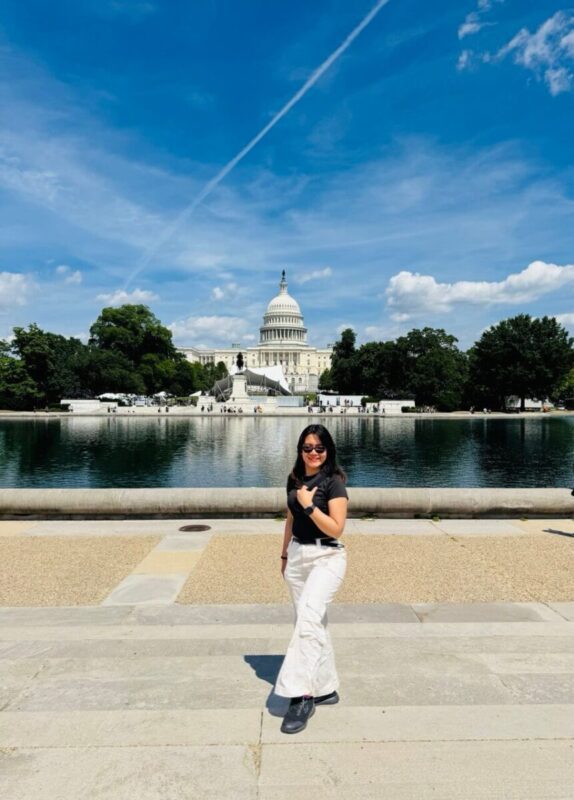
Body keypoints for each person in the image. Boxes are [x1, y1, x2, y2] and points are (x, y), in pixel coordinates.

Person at [274, 424, 348, 734]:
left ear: (328, 450)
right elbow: (290, 518)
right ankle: (326, 687)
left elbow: (336, 527)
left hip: (327, 557)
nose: (313, 453)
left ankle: (301, 695)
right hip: (298, 557)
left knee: (308, 620)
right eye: (308, 448)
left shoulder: (334, 484)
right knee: (312, 623)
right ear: (300, 451)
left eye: (319, 448)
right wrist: (284, 555)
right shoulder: (294, 479)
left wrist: (308, 505)